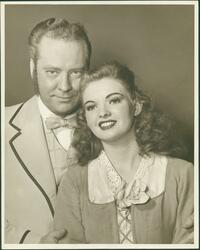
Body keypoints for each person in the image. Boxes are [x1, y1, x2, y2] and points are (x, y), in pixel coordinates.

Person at [53, 61, 194, 244]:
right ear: (85, 118)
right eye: (91, 106)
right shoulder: (74, 181)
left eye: (114, 100)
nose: (102, 112)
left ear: (136, 106)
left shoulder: (182, 174)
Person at [5, 17, 92, 243]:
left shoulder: (113, 125)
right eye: (52, 72)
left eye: (75, 73)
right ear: (33, 68)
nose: (65, 87)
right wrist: (31, 243)